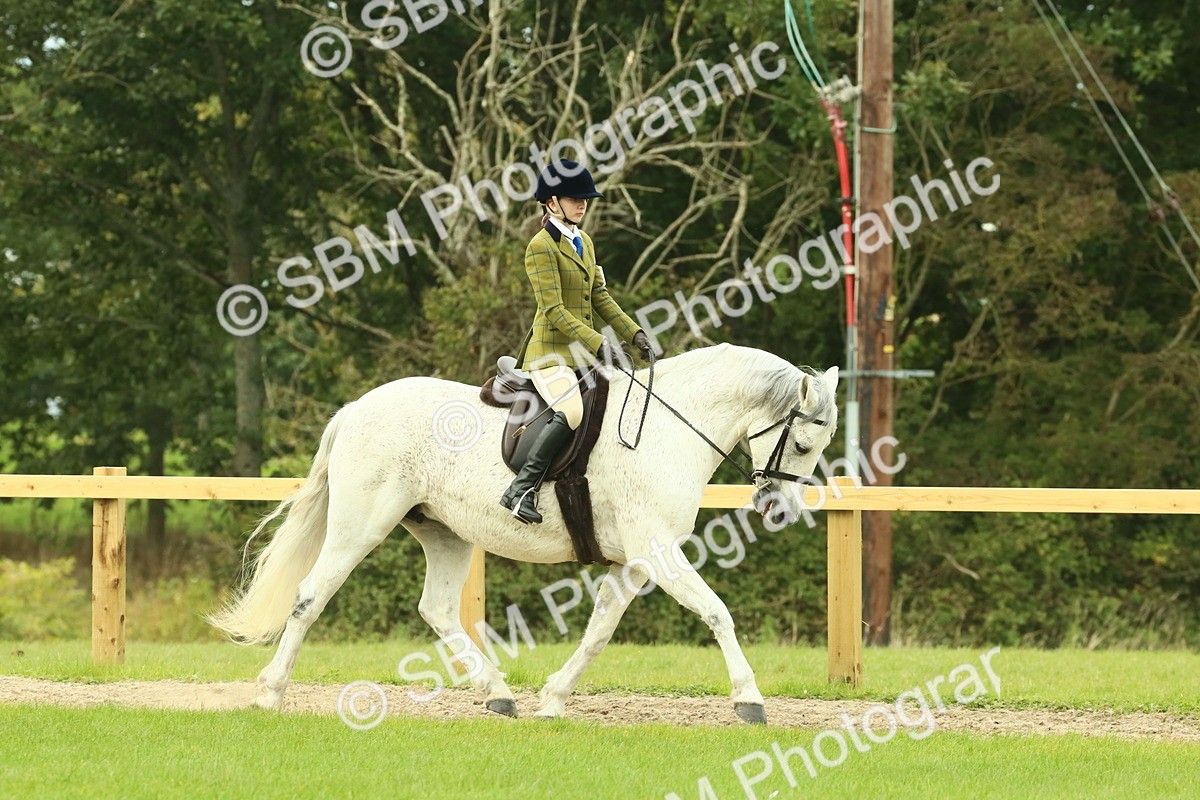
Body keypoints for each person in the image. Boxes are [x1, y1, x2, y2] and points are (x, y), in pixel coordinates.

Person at [500, 158, 653, 524]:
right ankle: (520, 489)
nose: (582, 204)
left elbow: (599, 297)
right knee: (571, 411)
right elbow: (553, 309)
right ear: (552, 202)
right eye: (574, 198)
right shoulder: (540, 247)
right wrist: (599, 342)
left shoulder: (584, 240)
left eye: (585, 198)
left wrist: (634, 333)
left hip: (582, 353)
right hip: (549, 354)